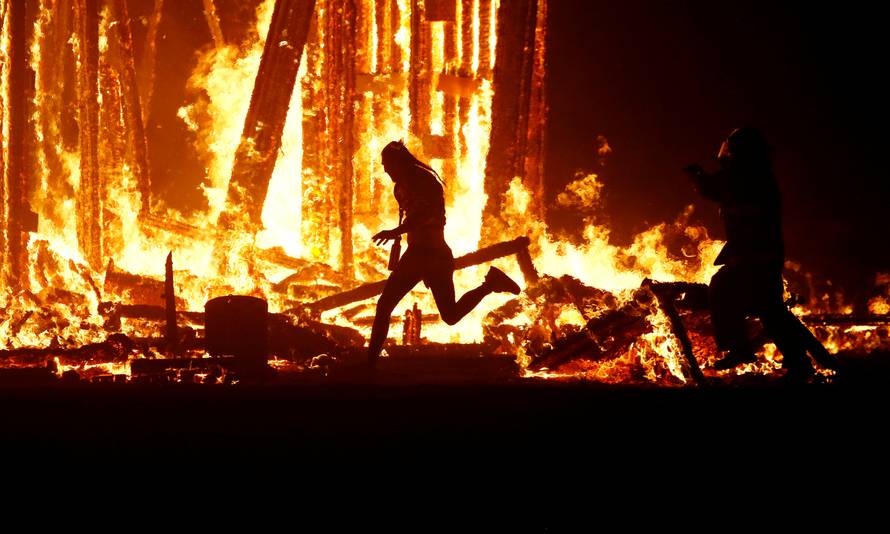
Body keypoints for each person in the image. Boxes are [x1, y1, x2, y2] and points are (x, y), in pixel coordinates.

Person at [686, 127, 837, 382]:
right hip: (762, 255)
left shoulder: (747, 177)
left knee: (722, 287)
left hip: (753, 257)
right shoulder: (755, 176)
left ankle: (739, 348)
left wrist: (698, 175)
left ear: (742, 153)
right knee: (772, 312)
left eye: (731, 150)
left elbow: (715, 189)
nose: (726, 155)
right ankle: (802, 364)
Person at [367, 140, 521, 368]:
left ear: (399, 163)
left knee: (446, 315)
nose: (386, 170)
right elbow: (416, 216)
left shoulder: (423, 180)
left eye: (388, 164)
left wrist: (395, 232)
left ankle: (490, 284)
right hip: (420, 254)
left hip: (431, 254)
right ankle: (370, 364)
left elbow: (424, 214)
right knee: (389, 306)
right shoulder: (402, 184)